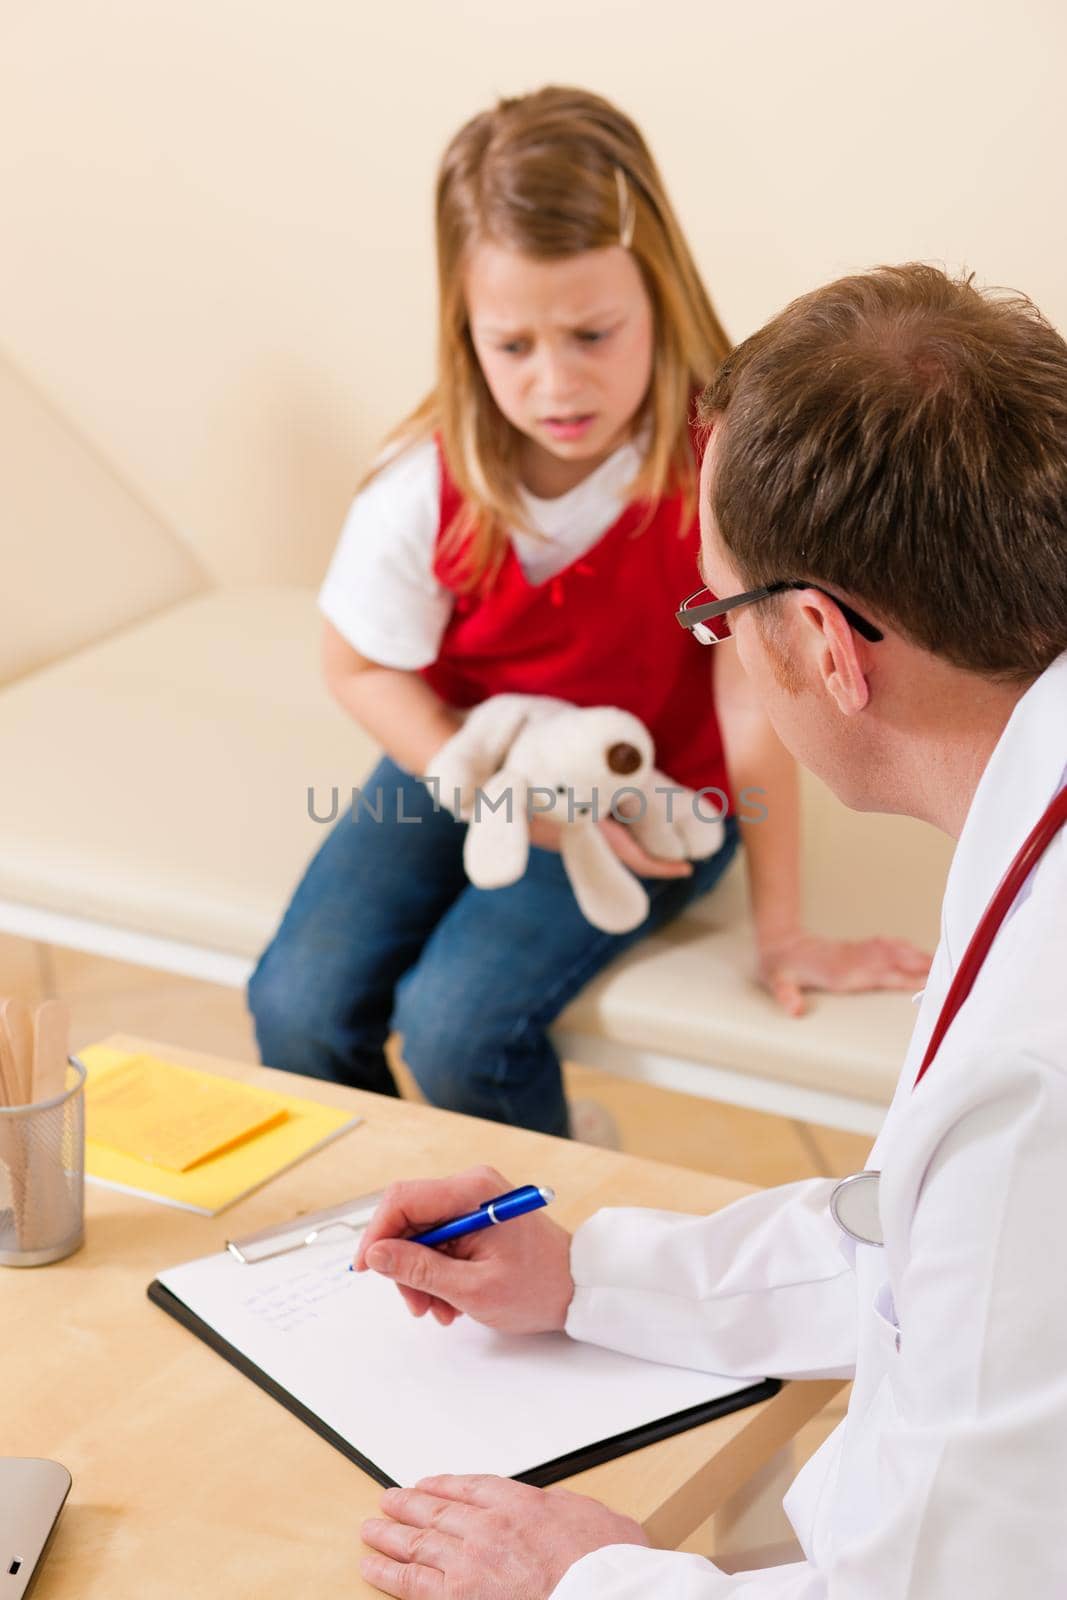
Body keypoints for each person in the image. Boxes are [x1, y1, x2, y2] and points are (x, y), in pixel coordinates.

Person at [352, 263, 1067, 1596]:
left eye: (712, 611)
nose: (716, 648)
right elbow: (925, 1253)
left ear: (818, 639)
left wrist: (585, 1580)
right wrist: (584, 1276)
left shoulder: (1034, 1070)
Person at [248, 87, 927, 1139]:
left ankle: (546, 1193)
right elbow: (358, 666)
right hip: (467, 755)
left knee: (456, 1029)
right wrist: (493, 795)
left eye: (592, 333)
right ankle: (376, 1206)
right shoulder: (419, 484)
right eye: (511, 345)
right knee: (295, 1004)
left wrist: (780, 929)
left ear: (656, 294)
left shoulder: (717, 476)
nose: (555, 383)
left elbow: (751, 706)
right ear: (462, 328)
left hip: (648, 789)